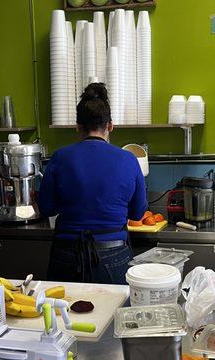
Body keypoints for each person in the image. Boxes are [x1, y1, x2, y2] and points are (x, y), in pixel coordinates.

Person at [38, 83, 147, 284]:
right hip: (113, 253)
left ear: (78, 127)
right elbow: (138, 212)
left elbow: (46, 208)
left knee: (63, 313)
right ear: (110, 126)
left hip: (66, 255)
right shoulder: (128, 159)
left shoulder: (60, 157)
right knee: (113, 314)